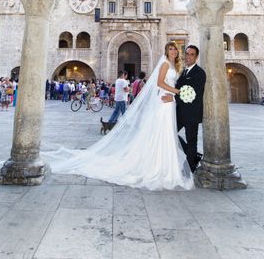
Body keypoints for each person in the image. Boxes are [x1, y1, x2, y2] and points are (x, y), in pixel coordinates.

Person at [42, 42, 194, 190]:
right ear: (166, 51)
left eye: (175, 49)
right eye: (170, 49)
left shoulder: (175, 65)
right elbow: (160, 83)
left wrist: (176, 95)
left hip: (170, 102)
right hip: (165, 101)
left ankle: (166, 166)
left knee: (166, 134)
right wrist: (178, 93)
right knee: (163, 133)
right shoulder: (166, 64)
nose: (173, 51)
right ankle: (160, 167)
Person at [174, 45, 206, 173]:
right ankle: (192, 155)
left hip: (192, 113)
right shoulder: (184, 71)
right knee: (170, 133)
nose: (188, 56)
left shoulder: (199, 73)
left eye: (192, 54)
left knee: (191, 139)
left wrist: (175, 94)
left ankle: (190, 166)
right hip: (180, 111)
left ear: (196, 57)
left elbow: (193, 93)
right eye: (187, 54)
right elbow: (179, 88)